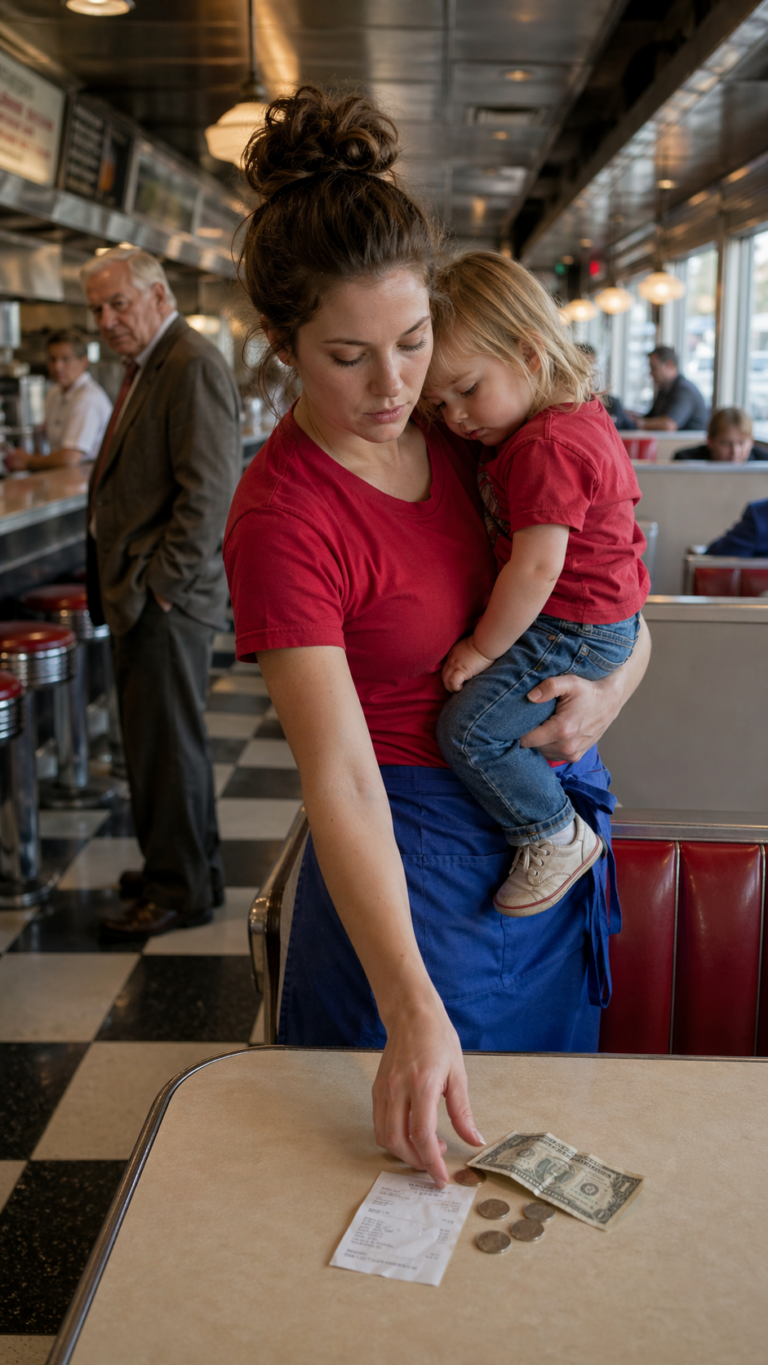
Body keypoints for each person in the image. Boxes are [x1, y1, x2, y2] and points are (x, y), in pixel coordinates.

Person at [224, 86, 651, 1189]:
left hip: (547, 843)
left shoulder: (466, 426)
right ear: (283, 344)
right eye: (348, 356)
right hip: (412, 884)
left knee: (539, 1183)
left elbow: (608, 603)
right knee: (393, 1211)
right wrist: (410, 1004)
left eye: (412, 342)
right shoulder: (285, 516)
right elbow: (342, 782)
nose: (394, 387)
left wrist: (609, 694)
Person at [425, 254, 649, 916]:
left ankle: (553, 833)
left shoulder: (546, 445)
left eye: (467, 389)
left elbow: (536, 568)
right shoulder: (558, 420)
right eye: (438, 402)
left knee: (469, 730)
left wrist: (482, 648)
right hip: (594, 619)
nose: (455, 417)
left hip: (572, 624)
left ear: (528, 353)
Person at [81, 246, 241, 939]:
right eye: (97, 310)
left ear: (156, 294)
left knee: (167, 745)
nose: (108, 320)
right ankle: (185, 868)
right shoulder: (151, 362)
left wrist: (163, 588)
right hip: (143, 591)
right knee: (159, 743)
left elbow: (210, 494)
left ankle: (178, 889)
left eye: (118, 304)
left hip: (164, 596)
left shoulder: (190, 362)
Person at [4, 327, 112, 471]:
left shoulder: (87, 398)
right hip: (62, 479)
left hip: (87, 481)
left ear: (83, 362)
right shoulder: (54, 392)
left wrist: (28, 462)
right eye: (52, 359)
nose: (58, 367)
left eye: (66, 359)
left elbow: (70, 458)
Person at [626, 345, 709, 431]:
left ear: (670, 365)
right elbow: (651, 417)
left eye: (654, 368)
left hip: (685, 442)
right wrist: (632, 418)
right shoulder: (664, 389)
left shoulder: (684, 390)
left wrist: (639, 423)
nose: (650, 373)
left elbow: (669, 425)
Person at [673, 406, 768, 462]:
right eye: (726, 443)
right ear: (710, 441)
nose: (735, 451)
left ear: (751, 442)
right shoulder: (685, 461)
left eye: (742, 443)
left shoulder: (765, 461)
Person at [576, 343, 635, 430]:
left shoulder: (612, 403)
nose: (590, 372)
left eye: (592, 366)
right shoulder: (570, 406)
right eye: (584, 366)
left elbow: (632, 429)